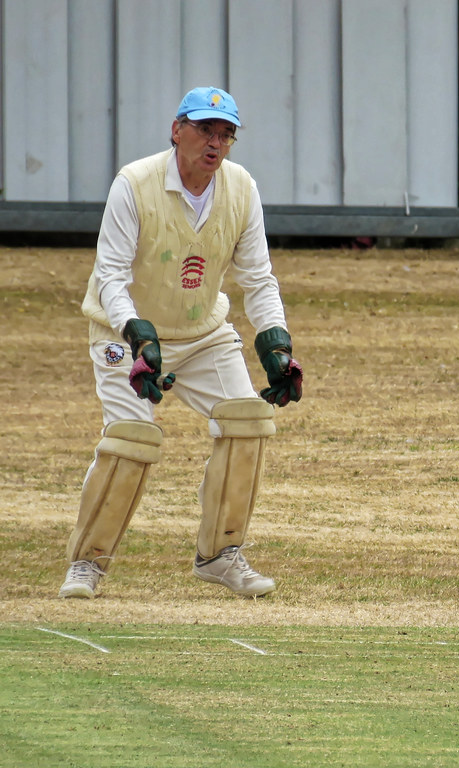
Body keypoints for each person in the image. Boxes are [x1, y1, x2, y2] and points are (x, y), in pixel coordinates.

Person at [60, 86, 304, 600]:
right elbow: (110, 275)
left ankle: (220, 554)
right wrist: (136, 334)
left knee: (249, 420)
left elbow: (258, 278)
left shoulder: (240, 188)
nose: (214, 143)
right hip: (124, 332)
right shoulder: (135, 183)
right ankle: (87, 563)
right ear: (177, 130)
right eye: (204, 130)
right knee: (131, 438)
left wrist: (277, 346)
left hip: (202, 333)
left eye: (225, 135)